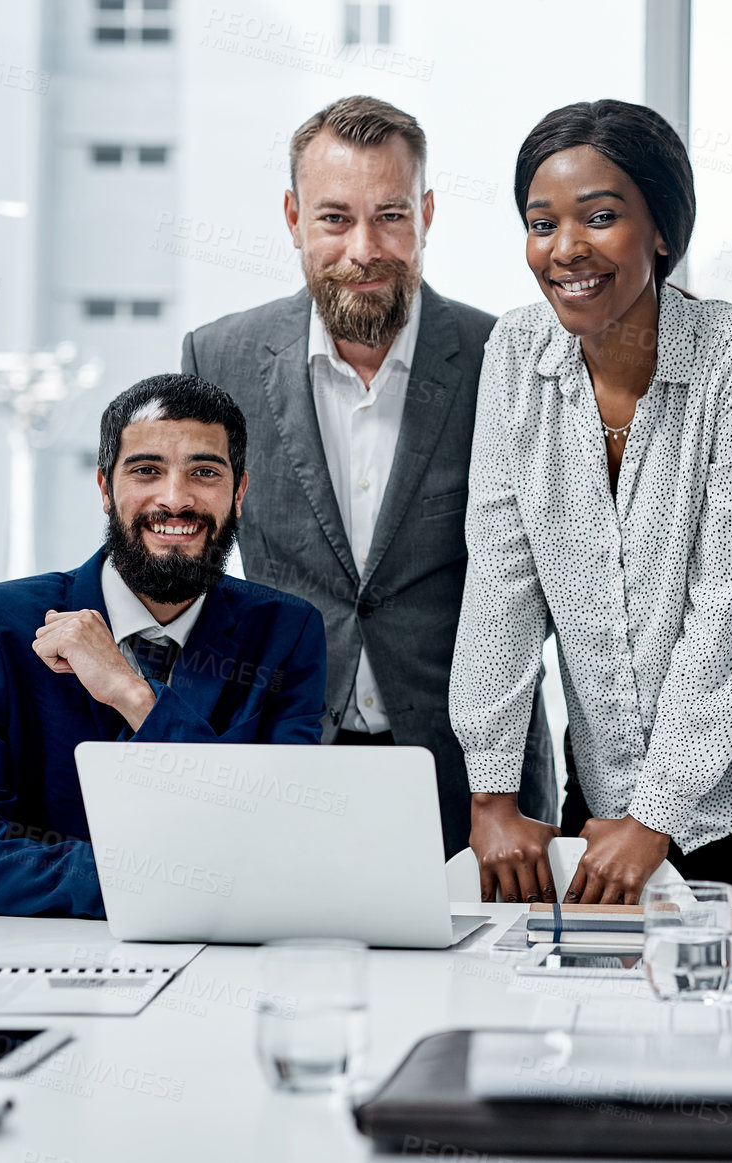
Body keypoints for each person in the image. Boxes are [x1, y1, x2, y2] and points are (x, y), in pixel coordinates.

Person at [181, 96, 556, 856]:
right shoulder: (218, 360)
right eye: (334, 218)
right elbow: (191, 572)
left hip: (476, 788)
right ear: (293, 218)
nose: (364, 247)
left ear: (425, 214)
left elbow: (551, 582)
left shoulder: (509, 359)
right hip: (285, 764)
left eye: (390, 215)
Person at [450, 99, 732, 907]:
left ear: (663, 230)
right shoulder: (514, 351)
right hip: (597, 806)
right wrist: (494, 794)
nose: (566, 249)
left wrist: (657, 814)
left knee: (718, 1025)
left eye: (600, 217)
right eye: (542, 224)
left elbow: (730, 607)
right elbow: (500, 582)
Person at [0, 375, 328, 918]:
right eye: (146, 470)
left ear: (239, 493)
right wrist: (165, 882)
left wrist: (133, 694)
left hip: (220, 961)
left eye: (204, 472)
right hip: (42, 960)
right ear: (106, 489)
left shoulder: (287, 632)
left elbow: (277, 842)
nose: (175, 499)